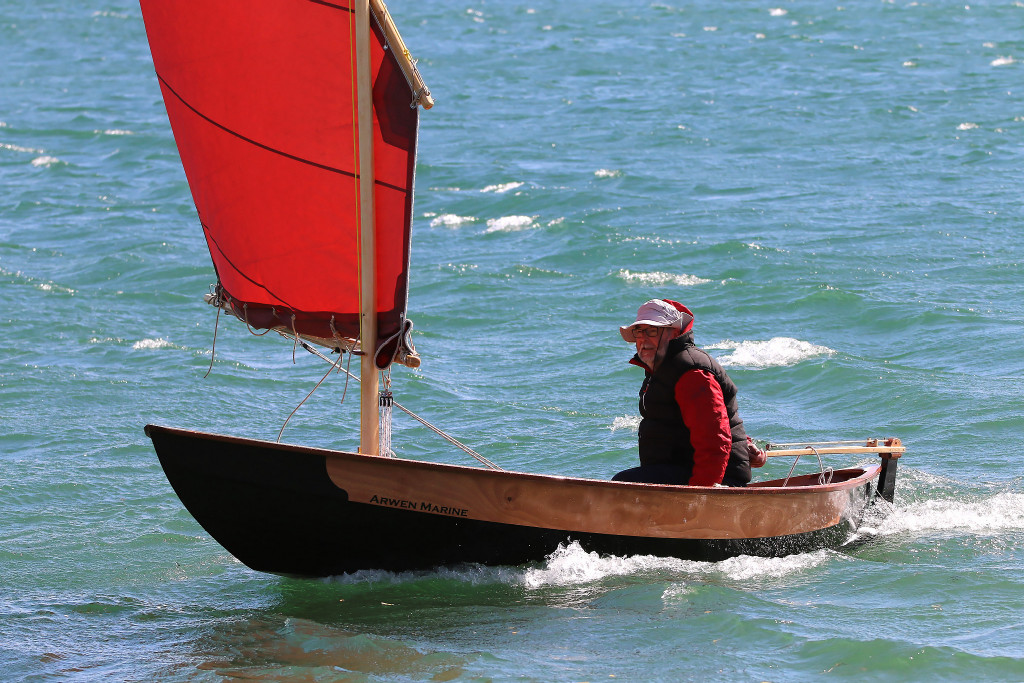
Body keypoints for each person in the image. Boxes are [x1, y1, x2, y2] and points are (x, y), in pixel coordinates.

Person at [612, 298, 765, 487]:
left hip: (714, 479)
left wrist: (700, 497)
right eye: (638, 332)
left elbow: (715, 440)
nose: (643, 339)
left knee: (623, 485)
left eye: (652, 331)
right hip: (685, 470)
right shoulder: (663, 367)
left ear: (673, 333)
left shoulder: (691, 373)